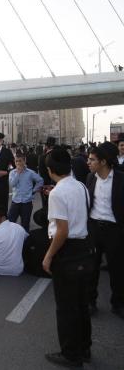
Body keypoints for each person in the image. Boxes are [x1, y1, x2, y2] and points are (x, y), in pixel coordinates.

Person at [42, 148, 94, 368]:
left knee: (65, 307)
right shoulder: (81, 186)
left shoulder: (57, 193)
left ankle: (70, 354)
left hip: (67, 251)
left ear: (50, 170)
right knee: (81, 304)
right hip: (84, 247)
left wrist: (48, 256)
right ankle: (84, 348)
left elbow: (61, 230)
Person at [86, 142, 124, 319]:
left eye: (92, 159)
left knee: (117, 269)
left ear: (103, 162)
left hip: (114, 230)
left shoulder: (120, 179)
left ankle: (118, 303)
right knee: (91, 268)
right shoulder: (90, 178)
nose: (89, 162)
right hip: (94, 228)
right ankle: (90, 302)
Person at [8, 154, 43, 232]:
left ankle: (25, 241)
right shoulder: (12, 172)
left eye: (20, 161)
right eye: (16, 161)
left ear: (24, 161)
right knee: (10, 222)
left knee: (25, 224)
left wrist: (34, 191)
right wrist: (18, 173)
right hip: (15, 201)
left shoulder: (30, 172)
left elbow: (40, 180)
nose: (18, 163)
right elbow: (12, 184)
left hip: (27, 201)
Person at [39, 136, 56, 207]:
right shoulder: (56, 156)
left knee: (45, 204)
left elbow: (41, 171)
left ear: (46, 146)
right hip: (56, 183)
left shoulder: (42, 157)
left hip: (45, 183)